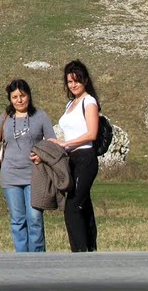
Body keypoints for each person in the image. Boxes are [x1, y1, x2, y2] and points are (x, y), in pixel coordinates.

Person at [0, 78, 57, 252]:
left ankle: (37, 258)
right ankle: (21, 258)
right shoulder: (4, 118)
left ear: (29, 96)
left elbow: (52, 142)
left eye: (22, 95)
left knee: (34, 218)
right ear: (10, 99)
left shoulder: (41, 116)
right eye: (15, 97)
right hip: (10, 176)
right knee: (17, 219)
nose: (19, 100)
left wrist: (42, 156)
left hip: (34, 175)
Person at [47, 59, 100, 252]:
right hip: (72, 159)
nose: (73, 84)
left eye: (77, 80)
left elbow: (91, 134)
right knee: (83, 203)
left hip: (85, 157)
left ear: (85, 80)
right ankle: (90, 247)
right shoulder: (71, 103)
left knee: (73, 206)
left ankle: (79, 251)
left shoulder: (89, 101)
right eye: (70, 81)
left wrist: (65, 143)